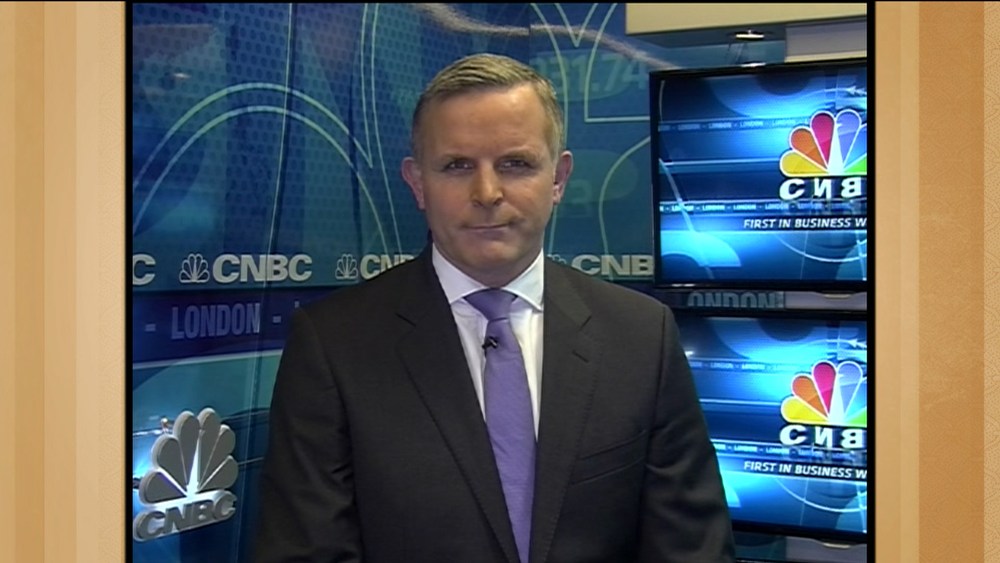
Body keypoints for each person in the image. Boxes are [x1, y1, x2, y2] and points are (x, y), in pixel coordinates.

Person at [254, 53, 734, 563]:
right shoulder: (334, 345)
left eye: (515, 164)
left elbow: (692, 549)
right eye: (457, 166)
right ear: (417, 183)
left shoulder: (640, 335)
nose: (487, 193)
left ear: (559, 178)